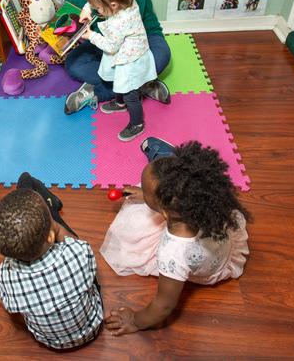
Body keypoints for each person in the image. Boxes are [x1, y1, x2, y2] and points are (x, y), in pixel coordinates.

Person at [101, 140, 250, 335]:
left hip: (211, 268)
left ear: (164, 212)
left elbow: (164, 305)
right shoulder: (206, 199)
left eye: (146, 193)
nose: (142, 191)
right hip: (224, 247)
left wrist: (135, 321)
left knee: (132, 231)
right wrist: (148, 194)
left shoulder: (173, 253)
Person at [62, 0, 171, 114]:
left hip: (138, 41)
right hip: (103, 44)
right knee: (73, 64)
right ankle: (141, 84)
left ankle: (98, 92)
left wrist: (92, 32)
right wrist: (69, 36)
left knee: (161, 56)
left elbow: (124, 32)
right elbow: (80, 28)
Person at [0, 188, 103, 350]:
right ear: (51, 237)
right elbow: (77, 247)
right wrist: (55, 226)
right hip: (93, 327)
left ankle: (44, 202)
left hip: (52, 343)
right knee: (26, 183)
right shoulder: (78, 252)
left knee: (25, 184)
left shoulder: (6, 276)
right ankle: (49, 203)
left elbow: (6, 303)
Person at [80, 0, 158, 141]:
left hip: (129, 58)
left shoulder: (120, 22)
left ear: (112, 4)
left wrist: (91, 36)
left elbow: (109, 46)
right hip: (123, 51)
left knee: (130, 92)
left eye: (98, 8)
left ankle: (137, 123)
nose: (97, 11)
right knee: (116, 78)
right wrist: (87, 9)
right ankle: (120, 102)